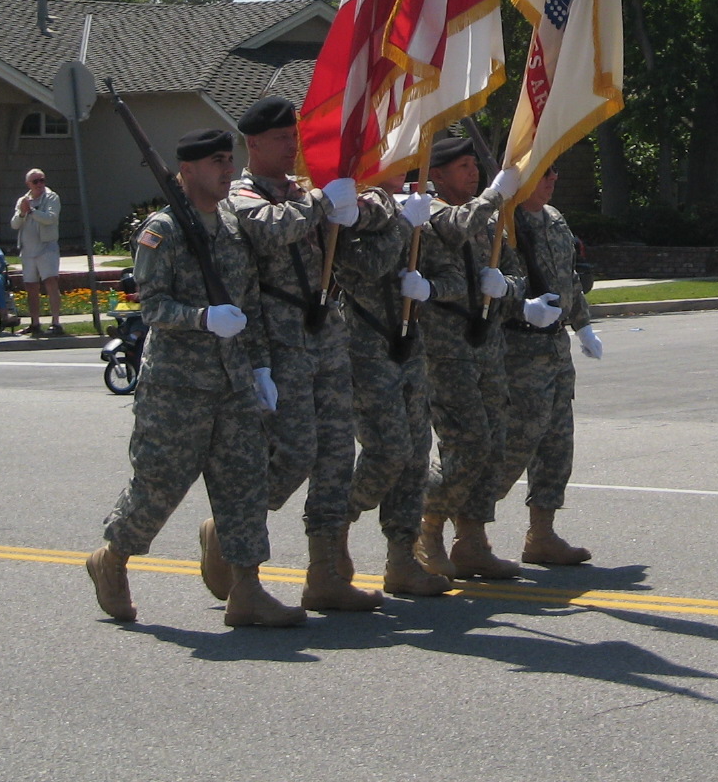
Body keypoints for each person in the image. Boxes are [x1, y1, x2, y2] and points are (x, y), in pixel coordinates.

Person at [87, 128, 299, 629]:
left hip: (232, 383)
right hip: (177, 388)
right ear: (186, 171)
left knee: (245, 483)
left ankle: (246, 589)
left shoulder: (230, 225)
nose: (227, 169)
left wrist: (262, 366)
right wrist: (202, 318)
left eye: (229, 160)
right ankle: (111, 559)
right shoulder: (162, 231)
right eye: (215, 162)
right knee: (158, 486)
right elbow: (153, 306)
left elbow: (249, 305)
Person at [222, 97, 379, 614]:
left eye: (295, 136)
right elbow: (270, 228)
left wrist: (359, 205)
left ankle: (325, 572)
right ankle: (231, 527)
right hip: (281, 341)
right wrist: (321, 203)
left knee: (337, 454)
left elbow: (351, 229)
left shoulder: (302, 193)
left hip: (326, 335)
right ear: (254, 144)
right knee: (293, 451)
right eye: (282, 139)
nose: (293, 146)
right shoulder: (241, 195)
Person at [415, 134, 523, 581]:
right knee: (468, 444)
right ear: (436, 175)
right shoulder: (433, 214)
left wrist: (509, 289)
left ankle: (473, 540)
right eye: (462, 167)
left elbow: (513, 271)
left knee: (494, 446)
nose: (472, 172)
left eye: (473, 165)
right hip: (447, 350)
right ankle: (427, 524)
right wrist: (497, 193)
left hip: (487, 345)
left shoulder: (487, 220)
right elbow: (457, 227)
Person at [334, 184, 450, 597]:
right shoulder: (350, 217)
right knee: (388, 451)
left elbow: (441, 266)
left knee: (417, 455)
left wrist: (429, 285)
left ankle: (401, 558)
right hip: (365, 345)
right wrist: (403, 223)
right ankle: (334, 527)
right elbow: (367, 263)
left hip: (408, 340)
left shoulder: (406, 211)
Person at [496, 163, 601, 566]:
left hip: (556, 350)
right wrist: (519, 305)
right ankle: (461, 528)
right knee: (514, 445)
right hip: (518, 349)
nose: (553, 179)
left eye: (557, 172)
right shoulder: (504, 223)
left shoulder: (555, 219)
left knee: (558, 445)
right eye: (544, 172)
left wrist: (584, 326)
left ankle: (541, 534)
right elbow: (491, 282)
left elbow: (568, 281)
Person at [11, 169, 65, 337]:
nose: (40, 184)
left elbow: (50, 218)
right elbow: (14, 224)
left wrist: (32, 211)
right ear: (28, 184)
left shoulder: (51, 197)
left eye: (42, 180)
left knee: (50, 282)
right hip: (28, 251)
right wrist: (22, 212)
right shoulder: (23, 200)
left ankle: (56, 323)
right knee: (31, 286)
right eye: (36, 182)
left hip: (46, 248)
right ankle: (35, 323)